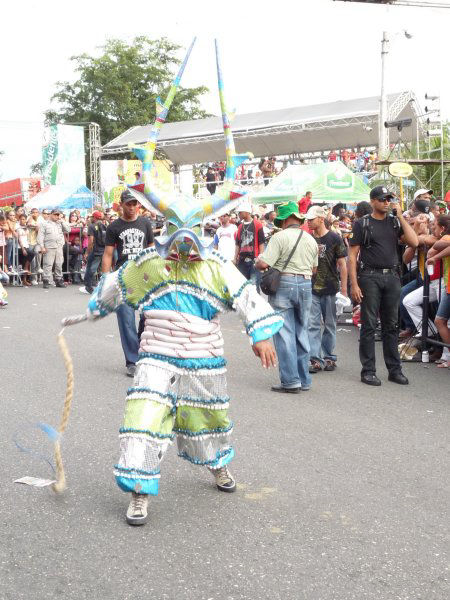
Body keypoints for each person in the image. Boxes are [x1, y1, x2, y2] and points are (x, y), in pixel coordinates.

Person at [73, 43, 282, 526]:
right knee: (143, 419)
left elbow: (247, 296)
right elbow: (114, 285)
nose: (184, 249)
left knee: (206, 418)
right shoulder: (150, 263)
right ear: (168, 237)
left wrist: (262, 333)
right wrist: (85, 312)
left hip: (203, 357)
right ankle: (139, 491)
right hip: (156, 355)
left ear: (202, 237)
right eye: (177, 240)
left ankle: (219, 468)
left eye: (192, 239)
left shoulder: (215, 267)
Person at [348, 186, 418, 386]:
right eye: (382, 199)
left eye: (389, 199)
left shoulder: (395, 222)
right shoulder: (362, 224)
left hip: (392, 277)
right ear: (372, 201)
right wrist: (354, 284)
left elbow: (413, 242)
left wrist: (401, 217)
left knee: (392, 325)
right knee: (369, 325)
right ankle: (368, 370)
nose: (386, 202)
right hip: (369, 276)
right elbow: (352, 256)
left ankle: (394, 370)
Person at [256, 201, 319, 392]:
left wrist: (259, 261)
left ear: (284, 220)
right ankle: (304, 379)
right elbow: (314, 268)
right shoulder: (310, 239)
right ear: (298, 219)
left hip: (284, 284)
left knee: (285, 333)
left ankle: (291, 380)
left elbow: (263, 263)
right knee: (302, 331)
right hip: (306, 284)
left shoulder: (279, 237)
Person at [102, 189, 154, 377]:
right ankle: (132, 360)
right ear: (121, 205)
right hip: (123, 276)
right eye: (128, 204)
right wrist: (105, 279)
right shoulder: (114, 227)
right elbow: (108, 254)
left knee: (148, 316)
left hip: (145, 277)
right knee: (126, 319)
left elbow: (151, 250)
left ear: (138, 205)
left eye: (135, 204)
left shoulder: (145, 223)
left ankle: (142, 347)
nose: (132, 208)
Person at [306, 205, 348, 373]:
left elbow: (342, 264)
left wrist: (344, 289)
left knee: (329, 324)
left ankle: (329, 357)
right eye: (307, 219)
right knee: (313, 324)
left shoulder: (334, 238)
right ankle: (316, 358)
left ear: (321, 219)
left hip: (330, 287)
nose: (308, 222)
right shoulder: (308, 239)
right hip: (311, 288)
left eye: (311, 219)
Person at [234, 202, 265, 292]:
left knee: (254, 287)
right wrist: (235, 258)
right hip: (242, 261)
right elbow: (237, 244)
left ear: (247, 212)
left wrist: (260, 257)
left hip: (254, 260)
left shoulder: (257, 224)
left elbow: (261, 242)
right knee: (242, 286)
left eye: (240, 212)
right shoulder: (240, 227)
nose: (238, 214)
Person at [37, 208, 71, 289]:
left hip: (59, 246)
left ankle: (58, 280)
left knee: (59, 263)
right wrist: (42, 246)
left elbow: (68, 230)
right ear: (51, 214)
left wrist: (62, 221)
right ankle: (46, 280)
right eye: (55, 214)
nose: (57, 216)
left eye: (58, 215)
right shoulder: (44, 224)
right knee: (48, 264)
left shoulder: (60, 223)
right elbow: (40, 236)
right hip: (49, 246)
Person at [80, 210, 106, 294]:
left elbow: (90, 241)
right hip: (103, 250)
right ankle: (102, 286)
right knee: (102, 269)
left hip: (95, 251)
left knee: (90, 268)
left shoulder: (92, 226)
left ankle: (88, 286)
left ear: (94, 217)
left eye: (92, 217)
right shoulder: (104, 225)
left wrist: (87, 252)